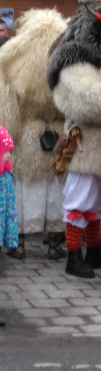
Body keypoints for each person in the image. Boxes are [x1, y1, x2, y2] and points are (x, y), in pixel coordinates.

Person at [48, 4, 101, 279]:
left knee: (95, 202)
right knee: (78, 199)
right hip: (83, 143)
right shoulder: (73, 59)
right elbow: (88, 100)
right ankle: (74, 256)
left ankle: (94, 250)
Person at [0, 8, 67, 261]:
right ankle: (54, 244)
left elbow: (7, 106)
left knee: (23, 190)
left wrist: (8, 139)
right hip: (57, 133)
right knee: (54, 190)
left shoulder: (12, 55)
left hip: (27, 134)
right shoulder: (65, 53)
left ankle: (18, 243)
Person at [0, 126, 18, 327]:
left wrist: (10, 234)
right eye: (5, 150)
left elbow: (10, 208)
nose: (9, 155)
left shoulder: (6, 176)